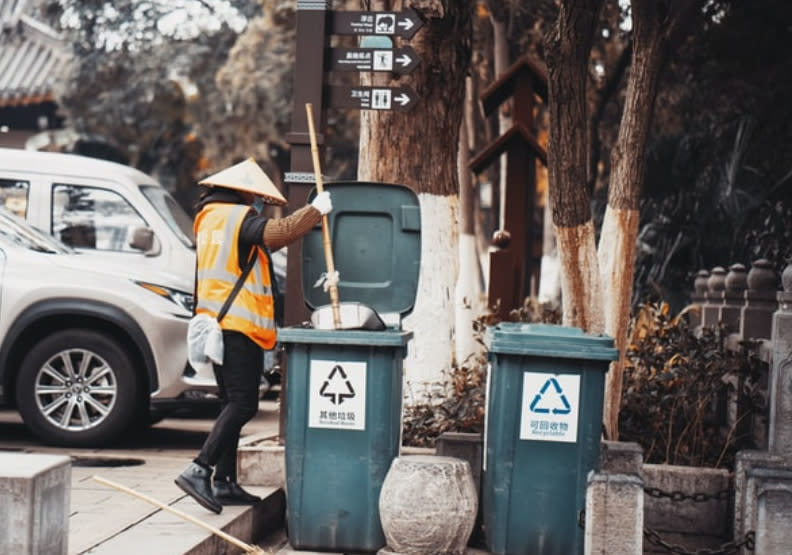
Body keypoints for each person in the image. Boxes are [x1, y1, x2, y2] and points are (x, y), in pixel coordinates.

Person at [175, 157, 331, 514]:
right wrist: (314, 212)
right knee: (243, 403)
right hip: (236, 328)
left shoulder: (210, 219)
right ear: (242, 192)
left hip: (215, 323)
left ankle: (225, 482)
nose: (257, 204)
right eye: (255, 197)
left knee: (230, 402)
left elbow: (255, 248)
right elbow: (278, 233)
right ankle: (199, 468)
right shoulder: (237, 217)